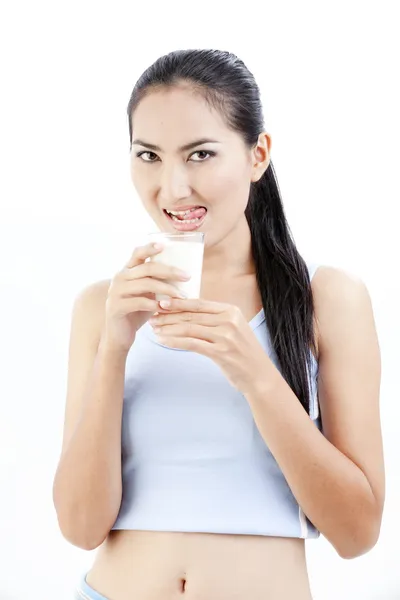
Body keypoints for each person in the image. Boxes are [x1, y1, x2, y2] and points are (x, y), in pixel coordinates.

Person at [53, 49, 385, 600]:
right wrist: (114, 348)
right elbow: (80, 527)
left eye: (200, 154)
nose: (174, 187)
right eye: (149, 156)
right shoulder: (102, 307)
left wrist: (256, 374)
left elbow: (357, 532)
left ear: (258, 156)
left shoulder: (326, 299)